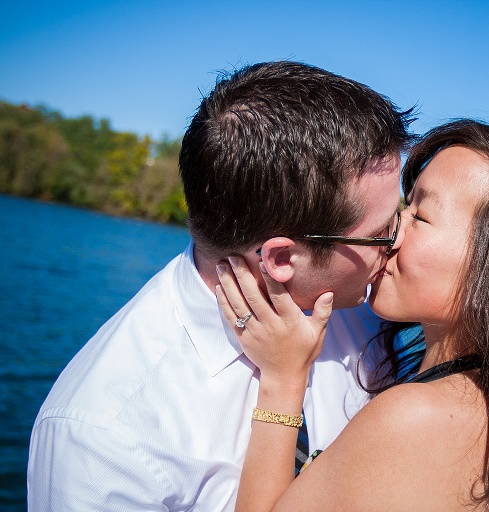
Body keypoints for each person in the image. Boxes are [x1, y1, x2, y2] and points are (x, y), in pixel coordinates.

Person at [28, 61, 413, 510]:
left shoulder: (370, 312)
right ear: (283, 258)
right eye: (383, 231)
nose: (398, 242)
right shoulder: (102, 437)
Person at [215, 119, 489, 512]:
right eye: (406, 204)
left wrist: (284, 378)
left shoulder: (418, 417)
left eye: (420, 216)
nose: (390, 227)